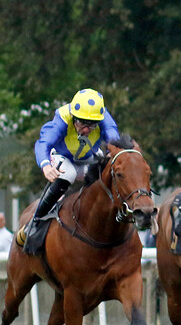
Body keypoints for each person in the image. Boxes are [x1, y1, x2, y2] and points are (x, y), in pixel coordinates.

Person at [20, 88, 120, 253]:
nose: (87, 130)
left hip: (88, 158)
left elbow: (113, 139)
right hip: (62, 157)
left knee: (110, 172)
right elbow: (43, 143)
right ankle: (36, 222)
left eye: (92, 125)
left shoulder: (102, 116)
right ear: (73, 117)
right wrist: (45, 165)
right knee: (69, 173)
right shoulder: (62, 118)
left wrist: (114, 151)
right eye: (82, 123)